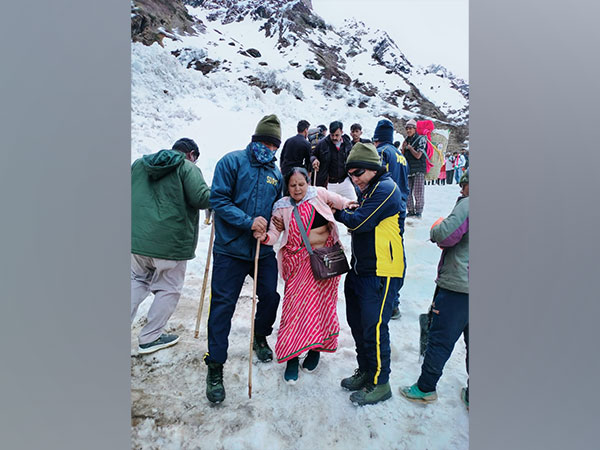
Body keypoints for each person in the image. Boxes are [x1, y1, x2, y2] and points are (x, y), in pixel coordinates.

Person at [203, 115, 283, 404]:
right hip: (230, 250)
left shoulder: (277, 173)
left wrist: (272, 230)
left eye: (273, 145)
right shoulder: (232, 162)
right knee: (222, 307)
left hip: (262, 251)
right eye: (264, 142)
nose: (268, 148)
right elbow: (219, 200)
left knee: (271, 297)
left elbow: (279, 210)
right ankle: (215, 365)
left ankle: (260, 336)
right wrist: (248, 222)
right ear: (253, 140)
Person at [258, 168, 357, 383]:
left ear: (307, 182)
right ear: (287, 186)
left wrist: (351, 205)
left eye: (301, 184)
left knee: (321, 308)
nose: (297, 188)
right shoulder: (281, 207)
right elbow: (275, 234)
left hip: (326, 263)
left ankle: (315, 350)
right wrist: (265, 236)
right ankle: (292, 357)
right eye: (293, 185)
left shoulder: (319, 194)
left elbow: (341, 201)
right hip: (298, 263)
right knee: (294, 311)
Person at [333, 142, 406, 406]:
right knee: (359, 324)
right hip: (361, 267)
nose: (354, 179)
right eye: (350, 174)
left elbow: (360, 222)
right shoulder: (370, 189)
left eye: (358, 173)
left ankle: (380, 381)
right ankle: (365, 370)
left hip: (382, 270)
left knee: (375, 328)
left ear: (373, 169)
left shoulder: (386, 188)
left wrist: (336, 211)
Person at [131, 138, 211, 354]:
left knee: (136, 281)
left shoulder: (139, 165)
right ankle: (150, 337)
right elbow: (202, 198)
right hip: (171, 244)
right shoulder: (187, 168)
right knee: (168, 287)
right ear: (191, 154)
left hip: (136, 240)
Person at [400, 170, 469, 408]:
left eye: (465, 184)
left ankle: (426, 388)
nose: (461, 189)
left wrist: (436, 227)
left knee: (440, 339)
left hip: (459, 287)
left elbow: (447, 234)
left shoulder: (469, 204)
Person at [372, 118, 409, 320]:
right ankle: (395, 301)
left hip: (385, 212)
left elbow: (375, 183)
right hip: (400, 210)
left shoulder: (381, 153)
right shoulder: (400, 155)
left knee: (383, 257)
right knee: (397, 254)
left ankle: (387, 302)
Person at [311, 120, 356, 201]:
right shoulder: (322, 144)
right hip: (329, 183)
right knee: (329, 207)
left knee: (353, 202)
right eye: (332, 135)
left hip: (345, 180)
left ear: (342, 132)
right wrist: (314, 159)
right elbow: (312, 154)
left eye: (337, 135)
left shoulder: (347, 143)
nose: (334, 138)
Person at [401, 119, 428, 218]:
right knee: (407, 192)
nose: (408, 130)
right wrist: (404, 149)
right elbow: (402, 156)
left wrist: (410, 148)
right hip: (408, 170)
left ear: (415, 129)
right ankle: (411, 211)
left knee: (418, 192)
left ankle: (419, 212)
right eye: (407, 128)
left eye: (410, 128)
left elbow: (418, 155)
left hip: (418, 170)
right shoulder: (406, 141)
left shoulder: (421, 139)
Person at [280, 119, 312, 192]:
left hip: (285, 170)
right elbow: (308, 162)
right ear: (306, 130)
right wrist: (308, 177)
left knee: (285, 194)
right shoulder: (306, 144)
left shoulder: (288, 140)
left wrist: (282, 168)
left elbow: (282, 156)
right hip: (296, 173)